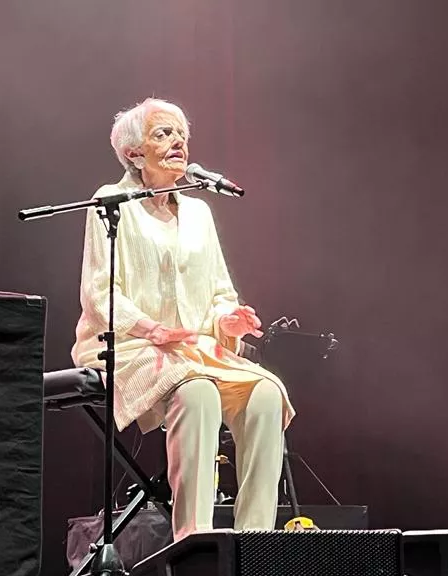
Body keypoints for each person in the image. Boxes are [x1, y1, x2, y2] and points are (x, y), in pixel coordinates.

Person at [72, 98, 295, 541]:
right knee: (198, 394)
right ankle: (194, 544)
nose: (178, 142)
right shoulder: (111, 202)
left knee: (267, 393)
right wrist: (151, 328)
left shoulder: (199, 212)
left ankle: (253, 547)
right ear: (133, 152)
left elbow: (218, 294)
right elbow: (101, 292)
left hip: (191, 349)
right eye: (163, 134)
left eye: (181, 135)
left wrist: (227, 320)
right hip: (134, 345)